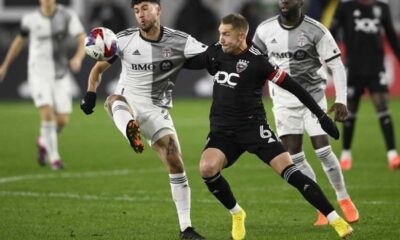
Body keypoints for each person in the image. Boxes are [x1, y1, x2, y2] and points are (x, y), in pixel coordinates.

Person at [184, 13, 353, 240]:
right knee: (207, 169)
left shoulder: (259, 62)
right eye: (219, 33)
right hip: (223, 132)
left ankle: (335, 219)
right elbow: (186, 61)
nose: (220, 39)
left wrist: (321, 116)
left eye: (226, 34)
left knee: (291, 172)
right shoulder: (215, 52)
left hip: (254, 129)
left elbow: (295, 87)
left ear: (241, 35)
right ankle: (237, 213)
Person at [80, 0, 206, 239]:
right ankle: (130, 130)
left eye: (145, 8)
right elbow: (97, 71)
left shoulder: (179, 40)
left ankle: (186, 229)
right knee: (114, 99)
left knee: (175, 162)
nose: (140, 15)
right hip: (129, 101)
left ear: (158, 10)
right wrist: (89, 94)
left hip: (156, 109)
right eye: (136, 11)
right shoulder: (123, 40)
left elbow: (209, 57)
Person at [252, 0, 359, 226]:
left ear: (301, 2)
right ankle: (321, 206)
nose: (283, 2)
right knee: (295, 157)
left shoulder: (316, 30)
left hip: (313, 99)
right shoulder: (264, 30)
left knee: (322, 150)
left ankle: (343, 197)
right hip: (282, 101)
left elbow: (337, 65)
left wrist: (341, 100)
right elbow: (253, 63)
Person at [0, 0, 86, 170]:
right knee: (47, 113)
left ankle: (42, 140)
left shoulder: (67, 16)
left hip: (60, 74)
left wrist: (78, 57)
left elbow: (82, 38)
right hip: (38, 73)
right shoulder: (30, 19)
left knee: (62, 120)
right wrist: (4, 66)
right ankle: (54, 159)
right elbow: (18, 42)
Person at [330, 0, 400, 171]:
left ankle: (392, 155)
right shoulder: (345, 7)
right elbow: (331, 33)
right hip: (353, 68)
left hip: (376, 67)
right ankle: (346, 154)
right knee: (350, 111)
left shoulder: (381, 7)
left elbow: (391, 35)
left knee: (382, 107)